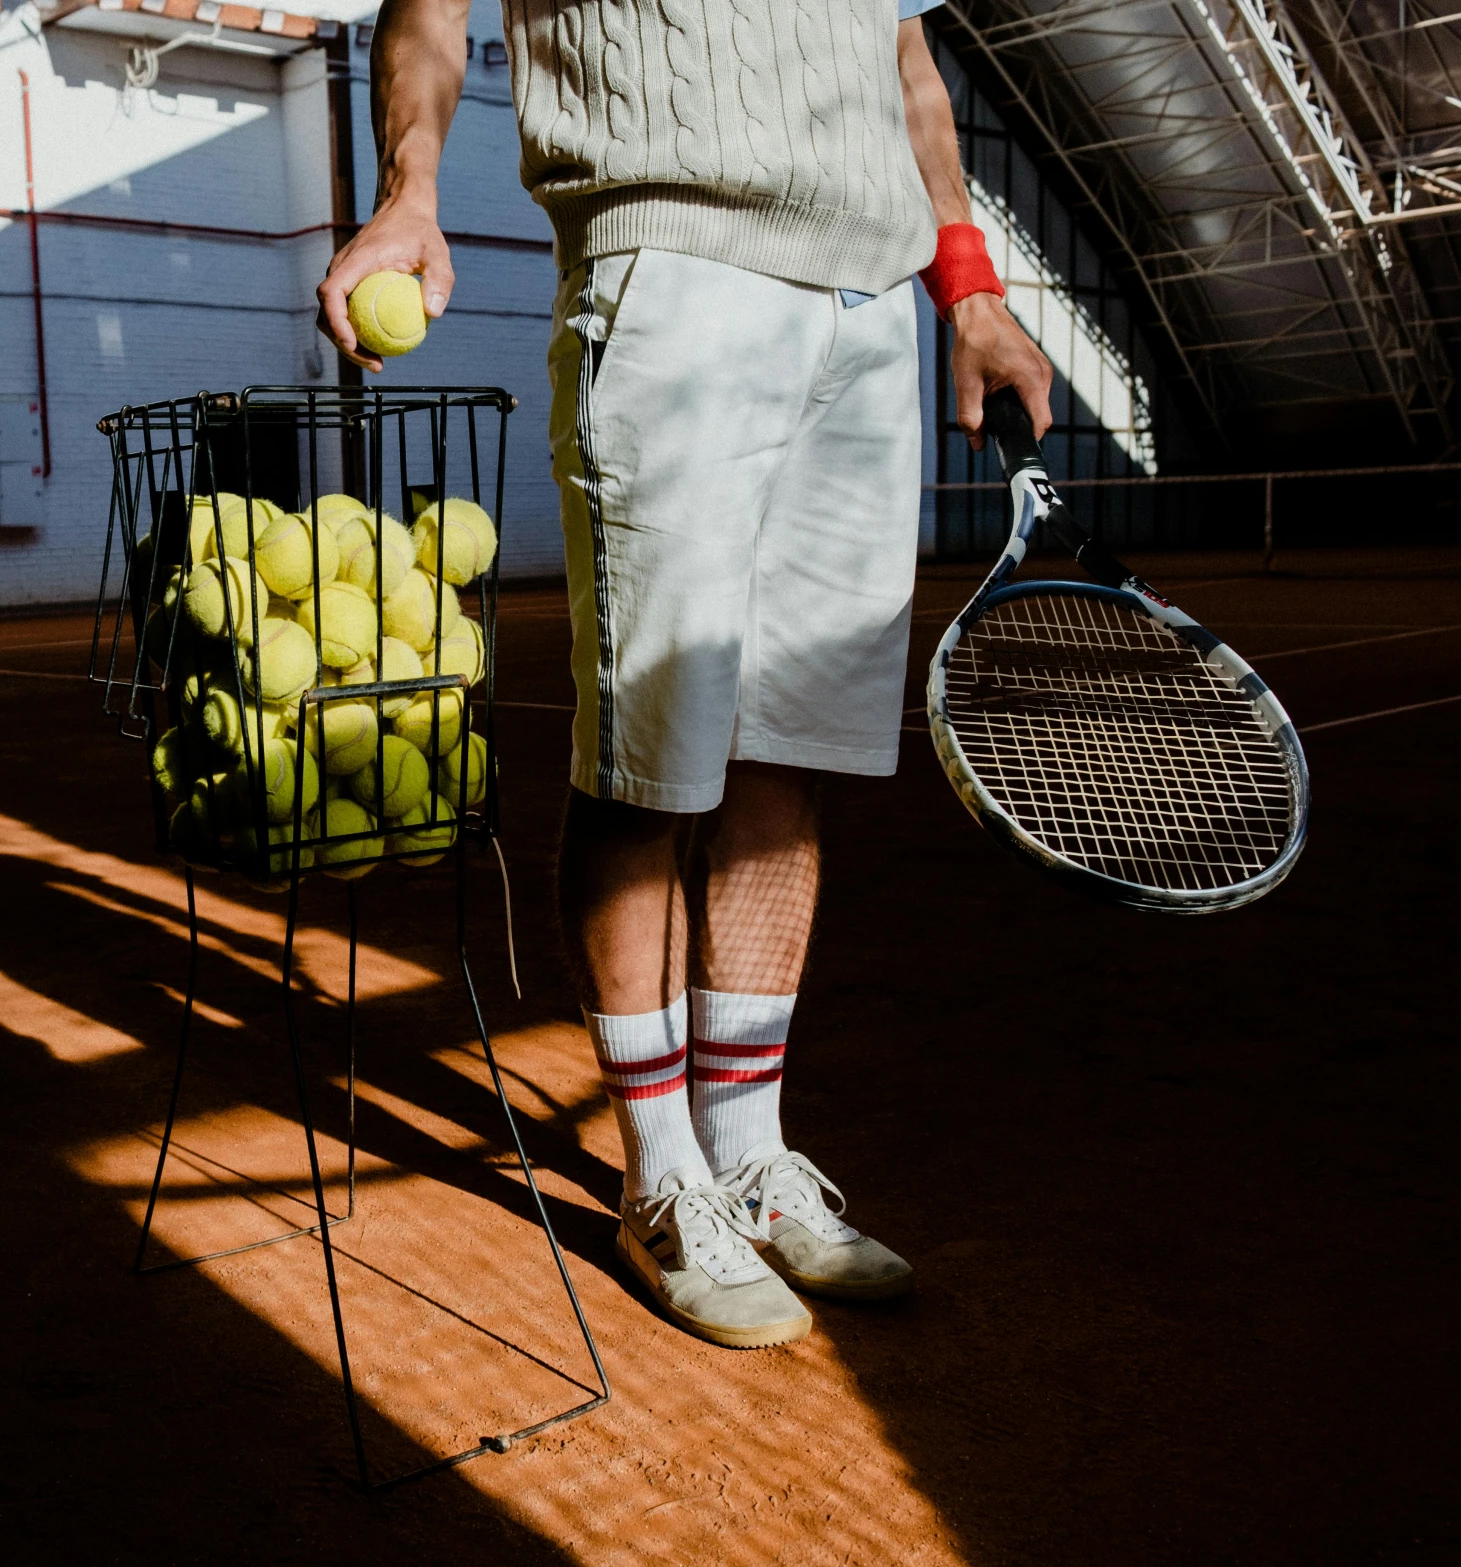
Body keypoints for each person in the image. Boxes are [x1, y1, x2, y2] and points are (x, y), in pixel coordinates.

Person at [319, 0, 1054, 1347]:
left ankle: (752, 1158)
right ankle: (659, 1177)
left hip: (868, 309)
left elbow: (906, 64)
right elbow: (425, 12)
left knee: (791, 758)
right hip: (674, 273)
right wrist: (406, 192)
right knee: (649, 768)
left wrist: (970, 286)